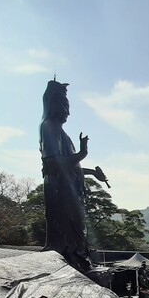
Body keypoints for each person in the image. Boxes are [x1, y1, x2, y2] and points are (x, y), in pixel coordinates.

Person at [39, 79, 109, 271]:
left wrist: (92, 173)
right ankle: (69, 256)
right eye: (64, 106)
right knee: (66, 227)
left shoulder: (60, 131)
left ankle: (78, 255)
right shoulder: (48, 127)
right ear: (54, 104)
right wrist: (82, 154)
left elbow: (70, 167)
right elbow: (54, 163)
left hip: (69, 190)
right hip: (59, 190)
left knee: (77, 227)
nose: (68, 112)